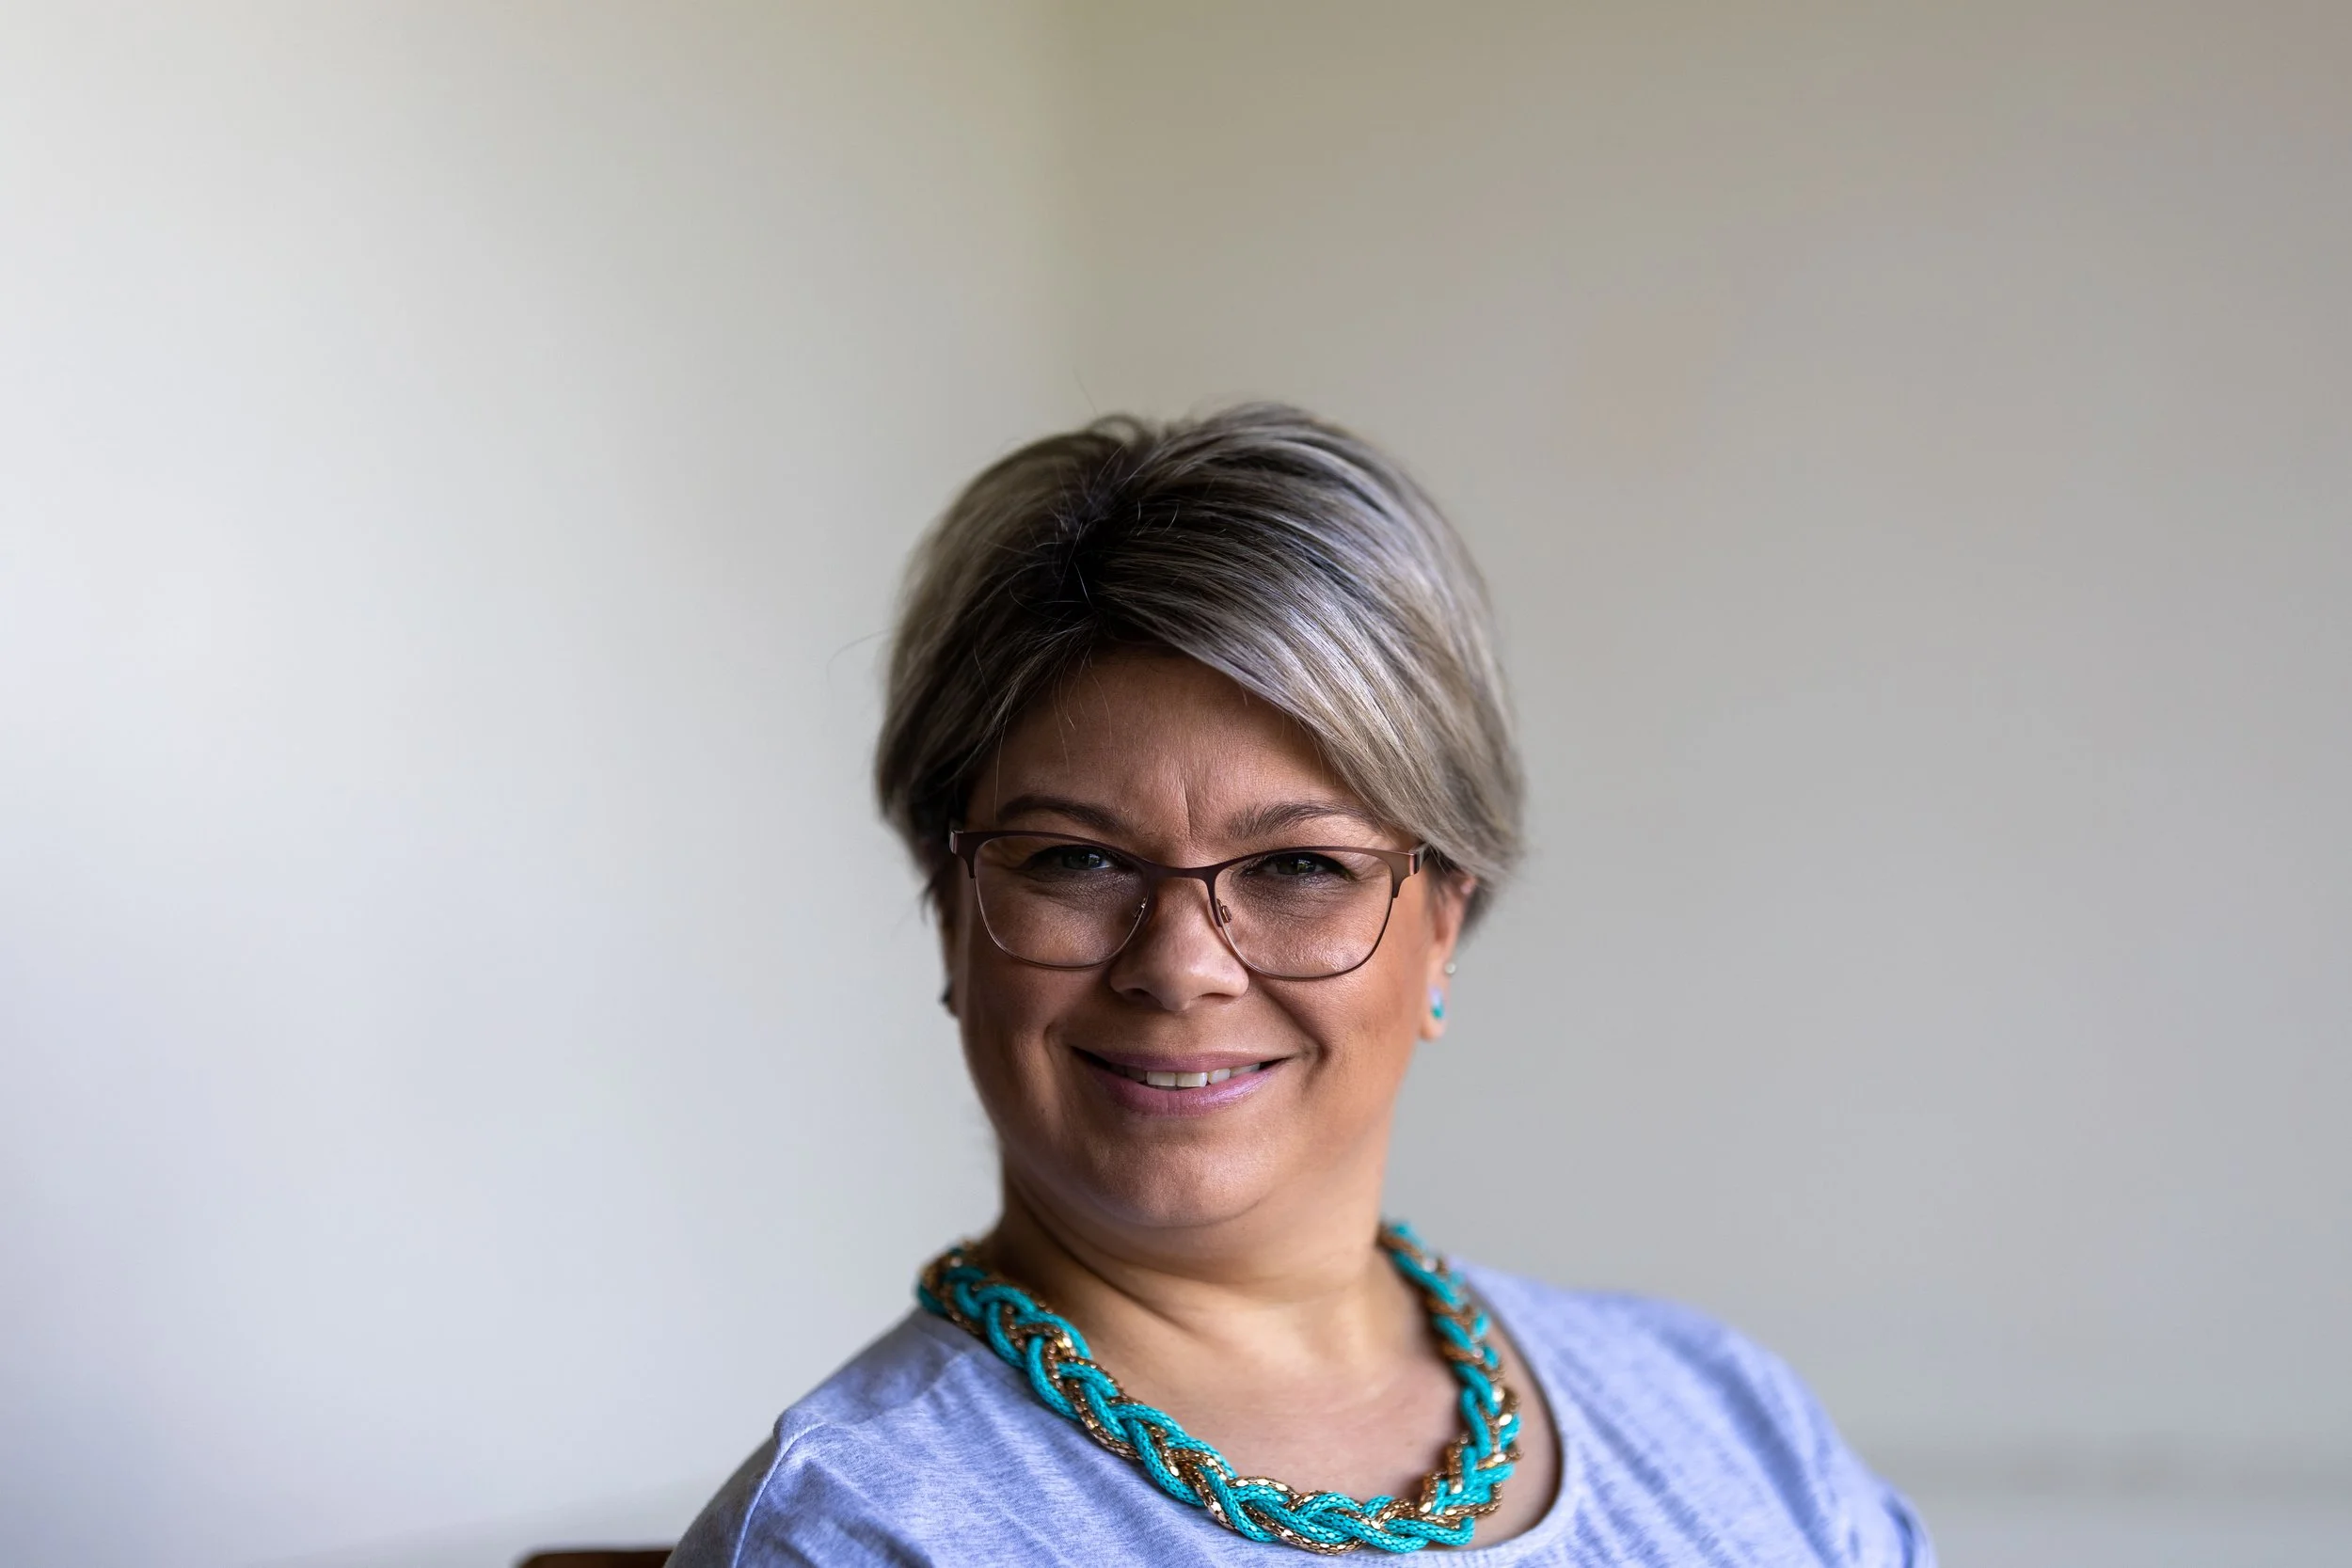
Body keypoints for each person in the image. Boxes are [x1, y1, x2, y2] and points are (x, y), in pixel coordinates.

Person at [672, 405, 1932, 1564]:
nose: (1181, 964)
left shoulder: (1727, 1416)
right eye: (1075, 858)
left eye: (1298, 866)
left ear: (1444, 922)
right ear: (952, 911)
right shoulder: (858, 1530)